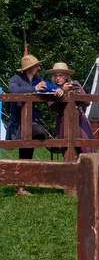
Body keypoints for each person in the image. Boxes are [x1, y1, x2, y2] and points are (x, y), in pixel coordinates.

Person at [8, 55, 58, 196]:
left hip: (31, 122)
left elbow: (51, 87)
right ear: (29, 68)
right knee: (35, 138)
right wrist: (33, 88)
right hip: (18, 123)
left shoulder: (38, 80)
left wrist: (60, 90)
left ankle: (20, 187)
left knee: (27, 153)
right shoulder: (16, 79)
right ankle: (52, 145)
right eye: (36, 66)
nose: (38, 68)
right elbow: (13, 91)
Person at [46, 62, 97, 156]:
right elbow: (52, 106)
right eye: (55, 75)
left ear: (66, 75)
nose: (57, 78)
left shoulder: (75, 84)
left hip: (80, 121)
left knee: (87, 150)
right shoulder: (52, 89)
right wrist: (62, 91)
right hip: (63, 123)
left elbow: (87, 102)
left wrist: (77, 93)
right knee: (68, 153)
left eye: (60, 75)